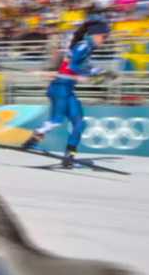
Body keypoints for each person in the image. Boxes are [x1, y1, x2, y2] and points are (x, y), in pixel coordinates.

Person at [21, 19, 116, 167]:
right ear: (94, 35)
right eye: (104, 37)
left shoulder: (87, 48)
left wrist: (101, 72)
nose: (105, 40)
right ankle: (33, 139)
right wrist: (85, 74)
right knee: (56, 121)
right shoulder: (82, 46)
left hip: (67, 89)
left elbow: (83, 66)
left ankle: (69, 156)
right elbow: (73, 66)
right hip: (59, 88)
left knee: (79, 123)